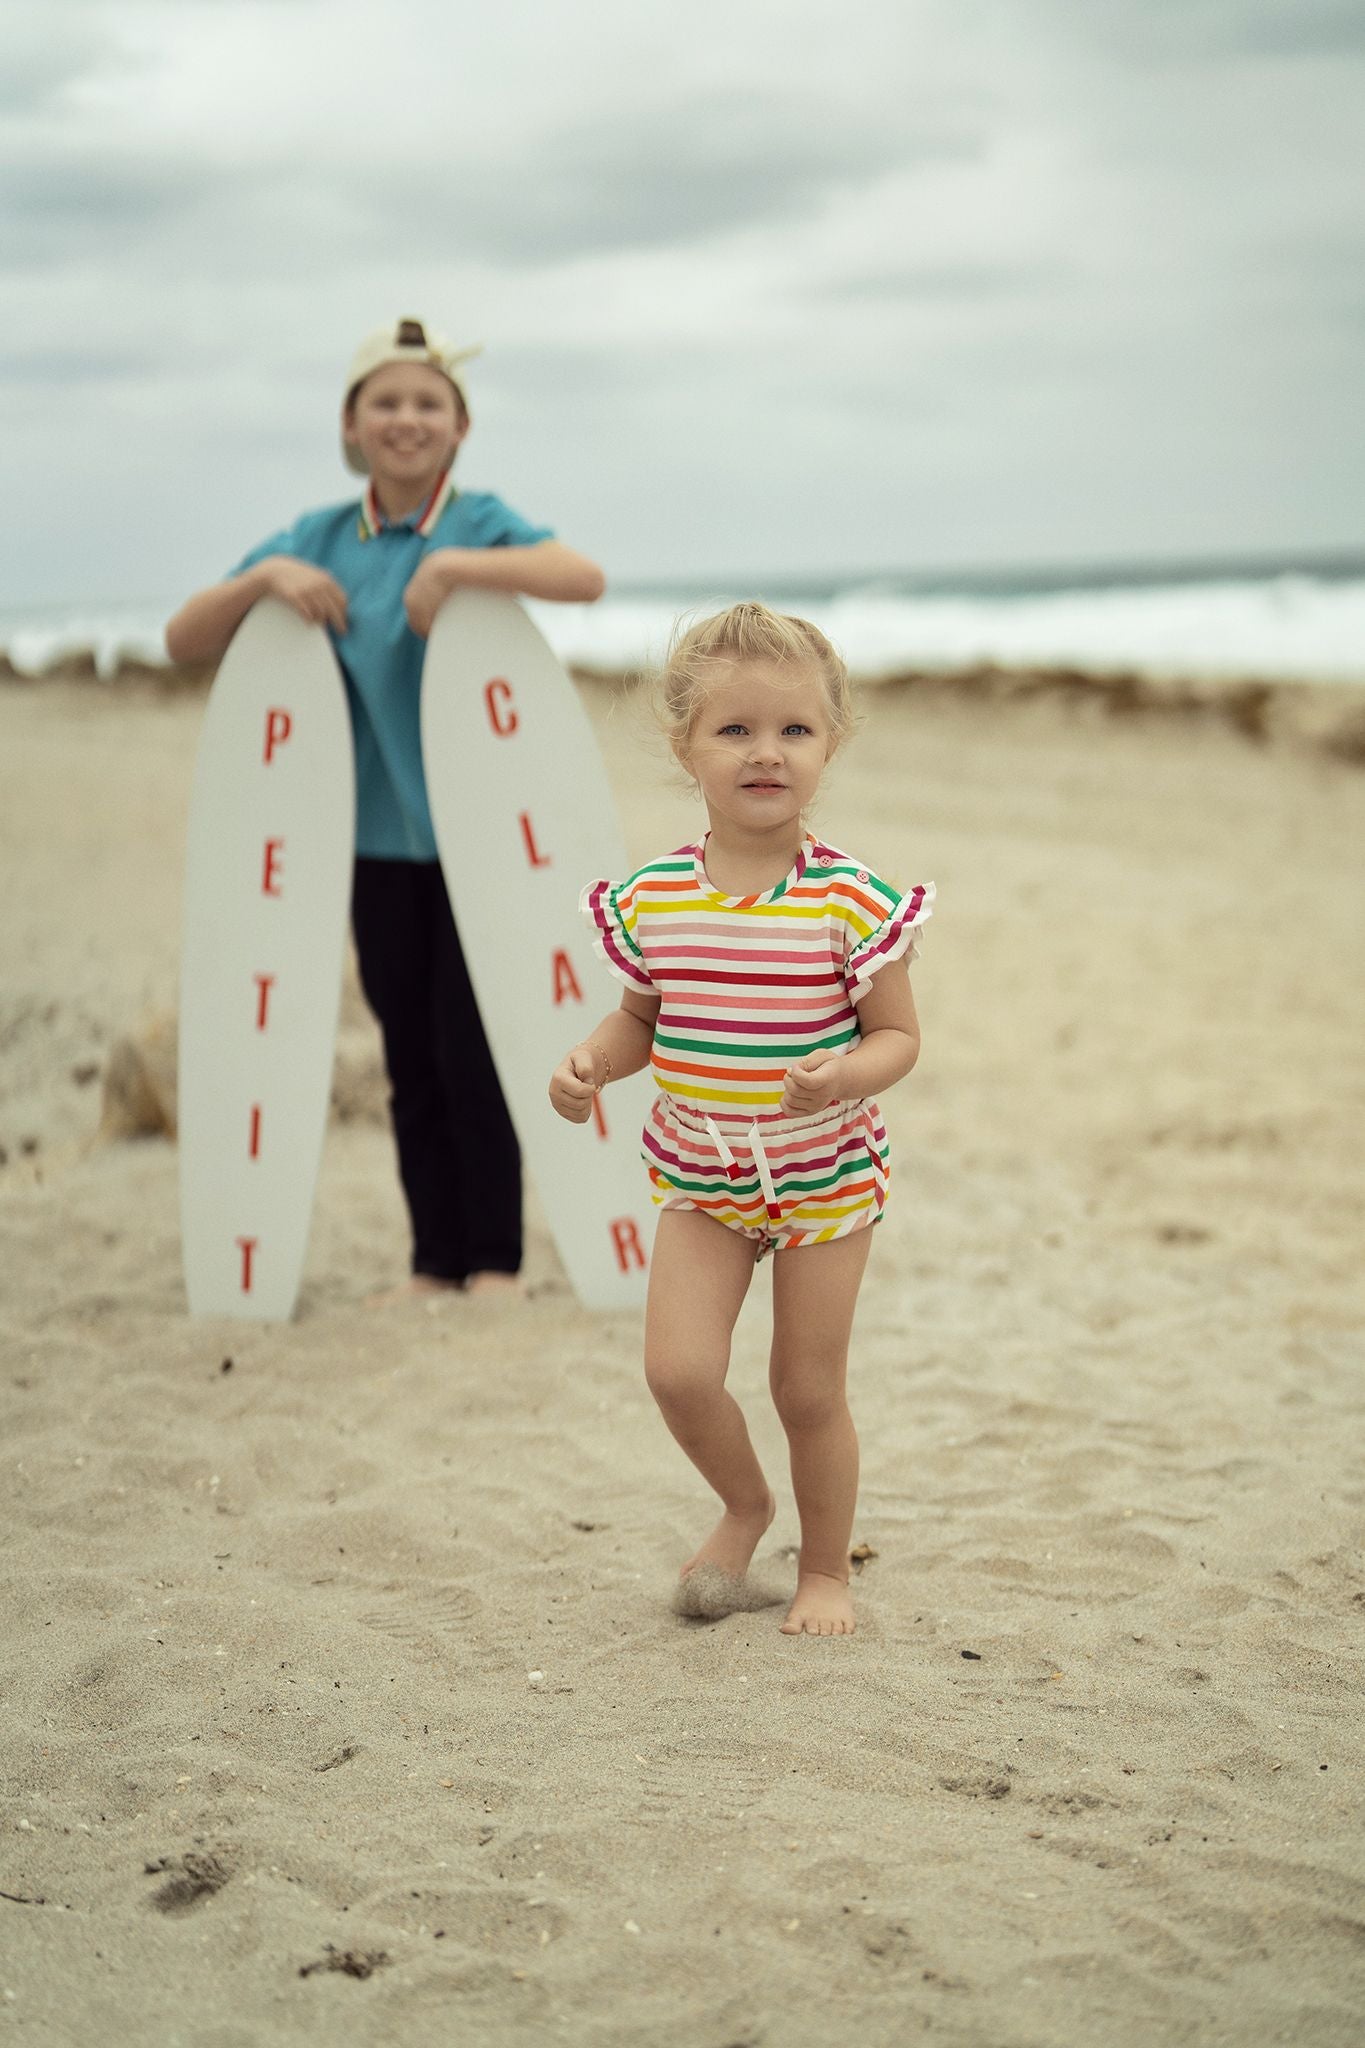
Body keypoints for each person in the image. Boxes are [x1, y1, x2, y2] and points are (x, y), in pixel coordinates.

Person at [166, 316, 605, 1302]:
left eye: (428, 404)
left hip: (482, 841)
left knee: (473, 1047)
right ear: (351, 425)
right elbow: (184, 636)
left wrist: (457, 570)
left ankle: (493, 1259)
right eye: (387, 403)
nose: (408, 419)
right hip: (369, 841)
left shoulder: (479, 519)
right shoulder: (318, 536)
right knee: (410, 1056)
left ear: (459, 427)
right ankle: (432, 1261)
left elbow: (583, 577)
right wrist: (264, 577)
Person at [548, 603, 934, 1636]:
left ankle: (824, 1572)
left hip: (822, 1177)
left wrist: (845, 1072)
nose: (767, 752)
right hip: (704, 1175)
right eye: (736, 730)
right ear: (687, 745)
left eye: (794, 730)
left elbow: (899, 1037)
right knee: (676, 1368)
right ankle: (744, 1500)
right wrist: (592, 1062)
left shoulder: (851, 901)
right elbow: (640, 1019)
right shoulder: (657, 896)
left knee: (806, 1386)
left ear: (831, 741)